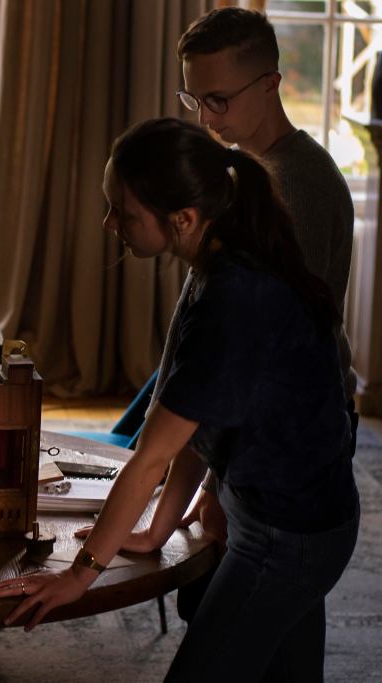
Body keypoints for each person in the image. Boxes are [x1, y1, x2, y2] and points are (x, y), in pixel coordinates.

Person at [0, 118, 360, 682]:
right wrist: (156, 531)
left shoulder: (234, 297)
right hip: (286, 518)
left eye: (124, 212)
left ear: (182, 219)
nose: (111, 223)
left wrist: (79, 575)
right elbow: (197, 428)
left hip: (290, 536)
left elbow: (152, 458)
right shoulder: (223, 266)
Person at [170, 6, 357, 548]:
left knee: (266, 595)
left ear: (271, 84)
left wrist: (213, 477)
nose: (205, 118)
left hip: (289, 436)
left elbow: (265, 353)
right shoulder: (245, 172)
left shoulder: (299, 186)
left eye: (218, 100)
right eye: (193, 99)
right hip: (250, 431)